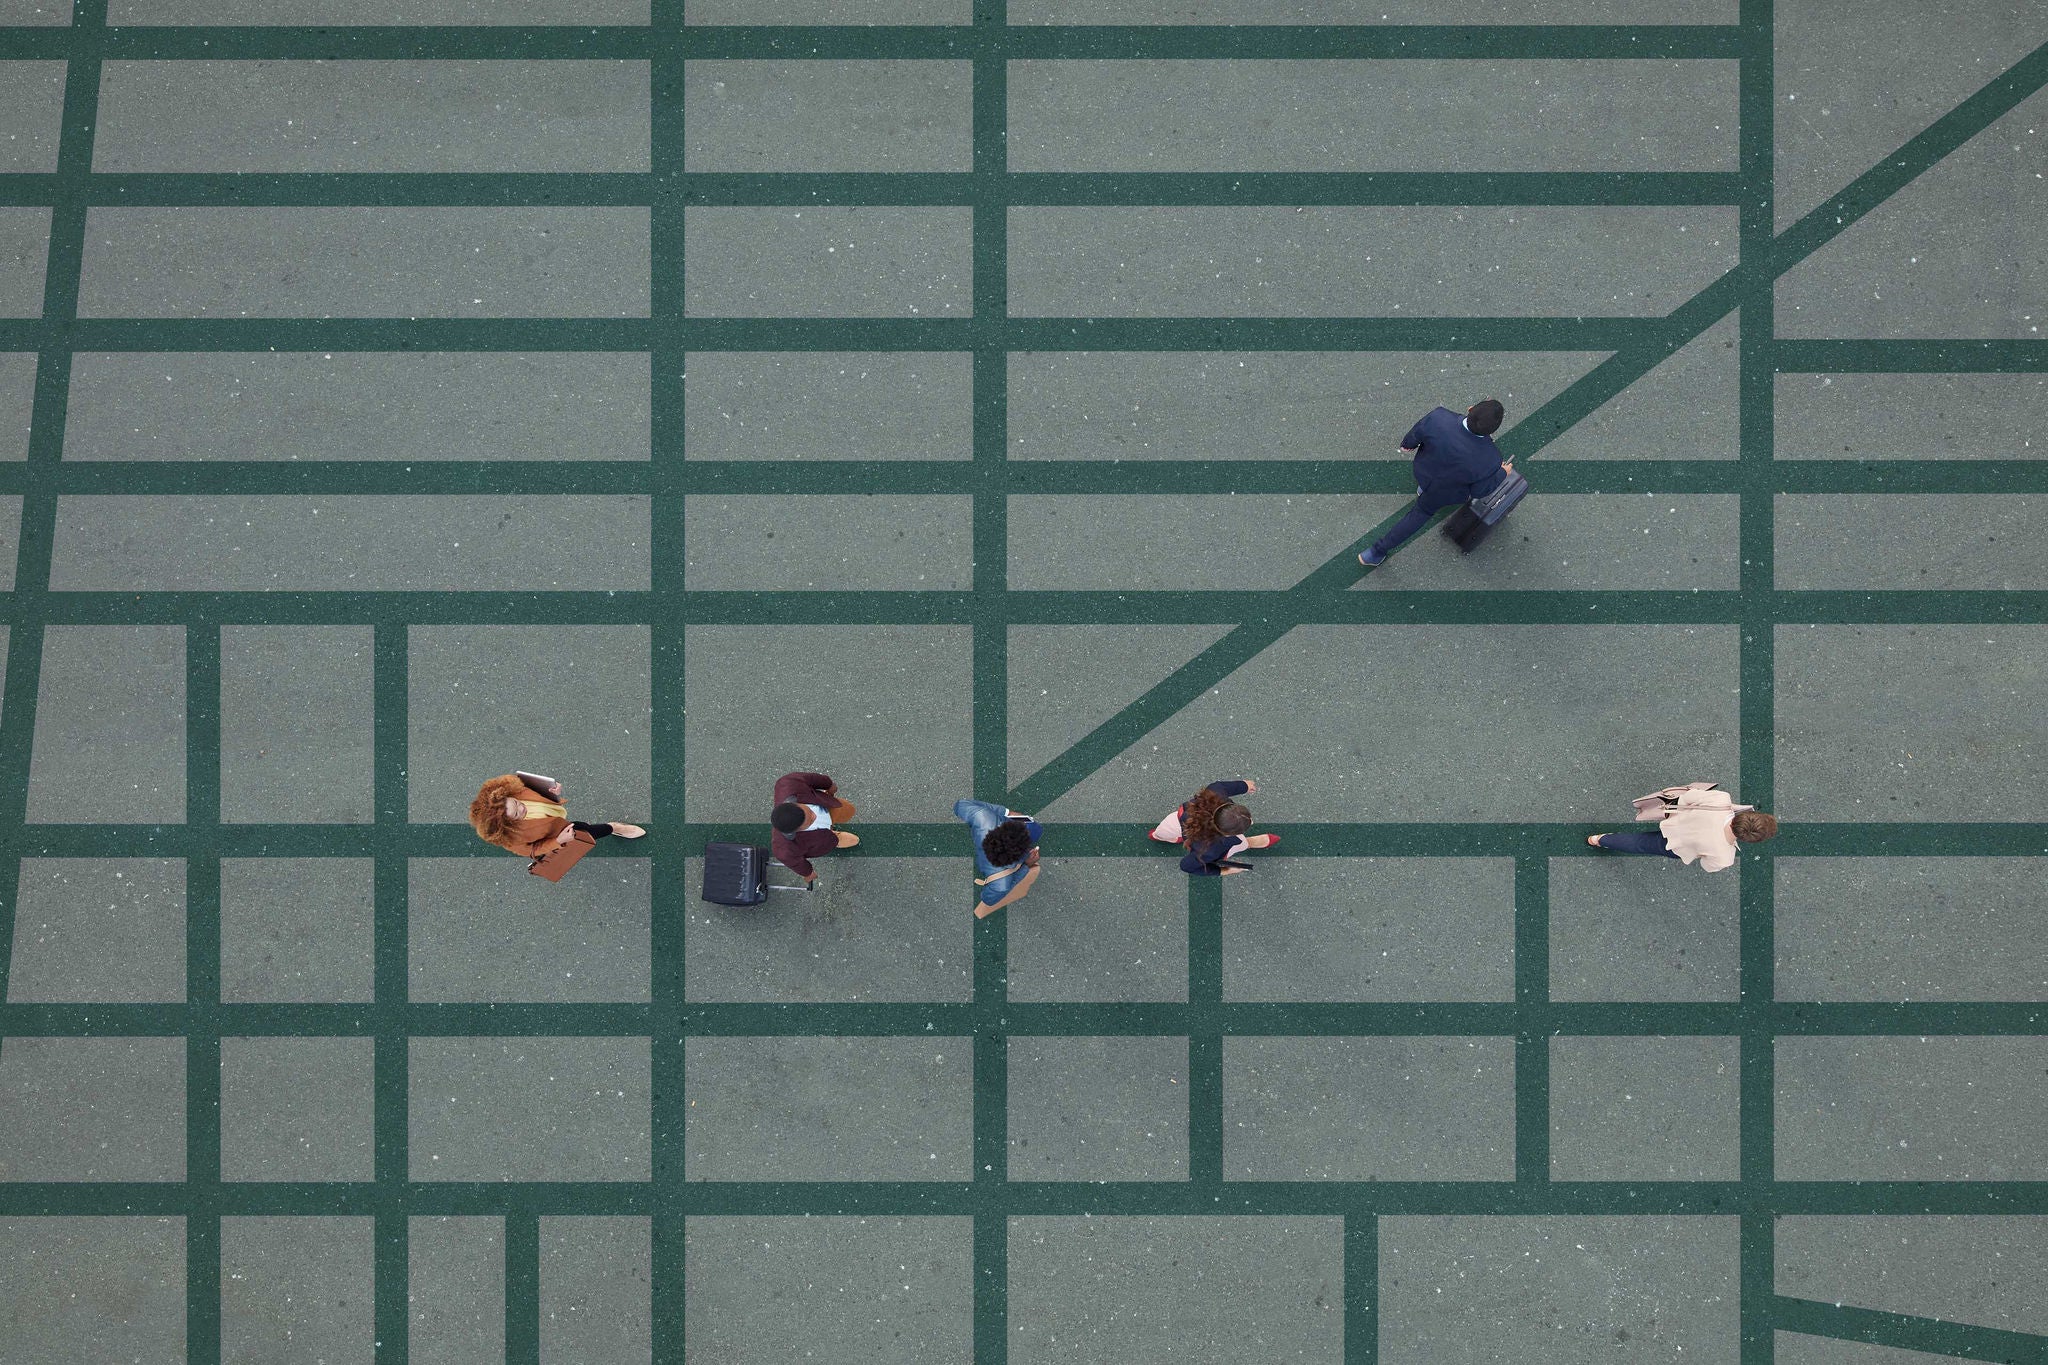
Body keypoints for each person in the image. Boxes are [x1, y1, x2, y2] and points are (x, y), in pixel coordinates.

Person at [1358, 398, 1513, 568]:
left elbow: (1414, 436)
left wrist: (1407, 446)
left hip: (1423, 470)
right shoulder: (1491, 459)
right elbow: (1479, 491)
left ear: (1470, 409)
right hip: (1444, 493)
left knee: (1427, 487)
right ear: (1493, 430)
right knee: (1419, 514)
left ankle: (1375, 554)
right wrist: (1501, 473)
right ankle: (1376, 550)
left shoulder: (1439, 417)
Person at [1586, 781, 1778, 872]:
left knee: (1641, 840)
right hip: (1677, 847)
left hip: (1675, 821)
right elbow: (1706, 865)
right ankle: (1600, 840)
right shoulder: (1724, 857)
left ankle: (1599, 838)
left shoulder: (1721, 800)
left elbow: (1688, 797)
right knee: (1640, 844)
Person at [468, 772, 644, 858]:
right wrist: (558, 841)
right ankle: (614, 828)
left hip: (556, 816)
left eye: (516, 803)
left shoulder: (514, 790)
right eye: (516, 814)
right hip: (561, 832)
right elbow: (532, 850)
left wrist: (553, 791)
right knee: (585, 830)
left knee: (581, 827)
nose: (521, 808)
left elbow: (536, 790)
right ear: (506, 824)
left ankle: (613, 828)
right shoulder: (511, 838)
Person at [1149, 778, 1278, 876]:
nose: (1251, 821)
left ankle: (1159, 836)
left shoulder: (1215, 792)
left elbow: (1221, 786)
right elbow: (1186, 866)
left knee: (1162, 832)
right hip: (1201, 839)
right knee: (1240, 843)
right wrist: (1223, 870)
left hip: (1179, 820)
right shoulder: (1209, 850)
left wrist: (1244, 785)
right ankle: (1248, 843)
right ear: (1227, 834)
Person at [955, 800, 1043, 918]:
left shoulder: (983, 817)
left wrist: (1007, 813)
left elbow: (960, 805)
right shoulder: (1001, 883)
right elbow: (987, 899)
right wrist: (1026, 866)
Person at [770, 770, 859, 883]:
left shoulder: (788, 783)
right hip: (823, 839)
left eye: (810, 812)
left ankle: (832, 831)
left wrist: (829, 785)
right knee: (839, 838)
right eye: (811, 820)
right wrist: (808, 873)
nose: (815, 816)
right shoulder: (784, 849)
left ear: (793, 802)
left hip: (827, 807)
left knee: (849, 810)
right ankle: (835, 837)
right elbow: (796, 863)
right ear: (795, 831)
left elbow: (813, 778)